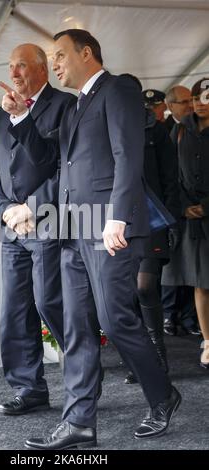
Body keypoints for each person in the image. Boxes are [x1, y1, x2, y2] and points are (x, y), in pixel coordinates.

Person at [0, 30, 181, 449]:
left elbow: (127, 156)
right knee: (78, 326)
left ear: (87, 53)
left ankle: (163, 395)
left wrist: (118, 217)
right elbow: (48, 160)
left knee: (116, 319)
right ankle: (79, 421)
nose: (55, 63)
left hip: (106, 227)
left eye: (60, 55)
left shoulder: (117, 89)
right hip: (73, 227)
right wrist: (20, 118)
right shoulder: (75, 106)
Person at [0, 43, 76, 416]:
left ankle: (84, 378)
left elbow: (65, 169)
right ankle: (29, 388)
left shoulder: (66, 106)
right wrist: (7, 211)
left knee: (51, 303)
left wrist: (32, 208)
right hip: (12, 229)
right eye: (10, 66)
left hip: (51, 222)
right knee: (15, 310)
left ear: (43, 70)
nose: (14, 73)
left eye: (21, 66)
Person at [125, 102, 182, 385]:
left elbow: (171, 178)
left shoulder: (155, 131)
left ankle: (158, 355)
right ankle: (141, 361)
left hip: (154, 218)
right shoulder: (110, 128)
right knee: (128, 292)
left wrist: (171, 220)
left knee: (145, 287)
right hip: (120, 219)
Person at [162, 77, 209, 369]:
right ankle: (208, 341)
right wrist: (183, 207)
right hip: (191, 218)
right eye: (196, 98)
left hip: (205, 211)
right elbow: (169, 174)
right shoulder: (179, 131)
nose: (200, 104)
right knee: (202, 283)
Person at [162, 85, 199, 336]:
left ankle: (188, 317)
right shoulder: (169, 131)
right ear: (170, 106)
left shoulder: (197, 129)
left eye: (191, 101)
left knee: (196, 270)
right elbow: (170, 174)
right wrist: (182, 206)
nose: (189, 106)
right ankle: (169, 314)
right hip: (177, 208)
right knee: (175, 265)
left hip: (199, 210)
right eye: (184, 102)